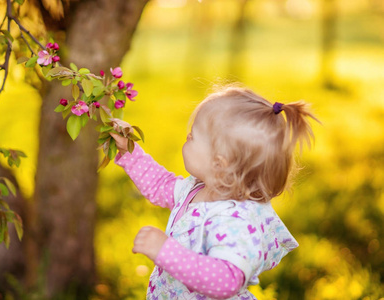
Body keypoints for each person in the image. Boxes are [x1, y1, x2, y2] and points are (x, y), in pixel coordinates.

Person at [110, 86, 318, 299]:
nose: (187, 135)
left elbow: (227, 280)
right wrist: (129, 151)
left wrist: (167, 252)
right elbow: (160, 184)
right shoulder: (198, 189)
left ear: (219, 163)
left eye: (194, 136)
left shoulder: (237, 220)